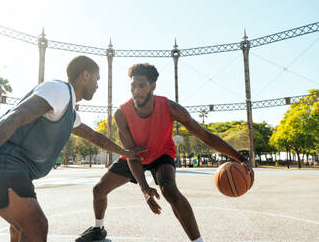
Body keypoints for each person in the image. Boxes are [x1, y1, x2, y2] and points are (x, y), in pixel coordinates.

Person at [0, 55, 144, 242]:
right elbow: (16, 116)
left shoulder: (68, 110)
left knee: (21, 227)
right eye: (96, 79)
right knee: (36, 225)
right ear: (85, 75)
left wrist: (126, 153)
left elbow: (94, 136)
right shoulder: (58, 90)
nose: (97, 85)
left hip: (11, 164)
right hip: (0, 159)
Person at [76, 63, 254, 242]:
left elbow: (205, 136)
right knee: (99, 190)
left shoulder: (170, 108)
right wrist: (144, 188)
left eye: (142, 86)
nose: (136, 91)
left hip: (162, 154)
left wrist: (240, 157)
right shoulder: (122, 113)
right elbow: (131, 154)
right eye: (133, 86)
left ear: (152, 86)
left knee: (169, 190)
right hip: (136, 156)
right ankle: (99, 230)